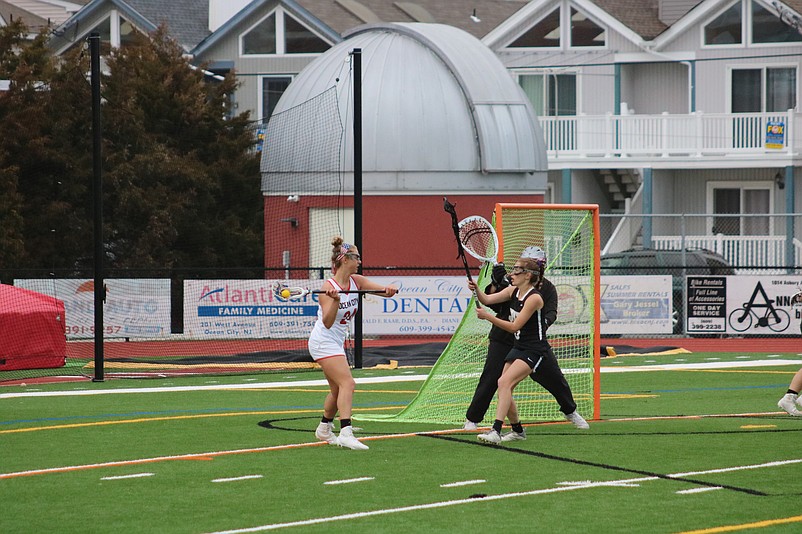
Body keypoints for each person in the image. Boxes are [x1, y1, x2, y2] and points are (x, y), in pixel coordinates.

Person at [464, 246, 588, 436]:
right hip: (504, 338)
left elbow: (548, 314)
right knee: (495, 379)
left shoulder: (542, 291)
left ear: (531, 272)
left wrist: (539, 325)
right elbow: (491, 300)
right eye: (515, 268)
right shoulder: (512, 285)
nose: (514, 272)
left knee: (554, 380)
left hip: (532, 344)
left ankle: (570, 411)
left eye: (519, 269)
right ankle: (478, 420)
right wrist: (491, 284)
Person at [310, 237, 398, 450]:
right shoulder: (328, 287)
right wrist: (336, 301)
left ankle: (324, 428)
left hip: (335, 343)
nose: (359, 260)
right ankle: (346, 432)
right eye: (356, 257)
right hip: (323, 341)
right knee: (348, 384)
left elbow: (382, 291)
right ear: (345, 259)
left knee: (338, 390)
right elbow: (328, 322)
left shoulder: (356, 281)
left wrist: (389, 290)